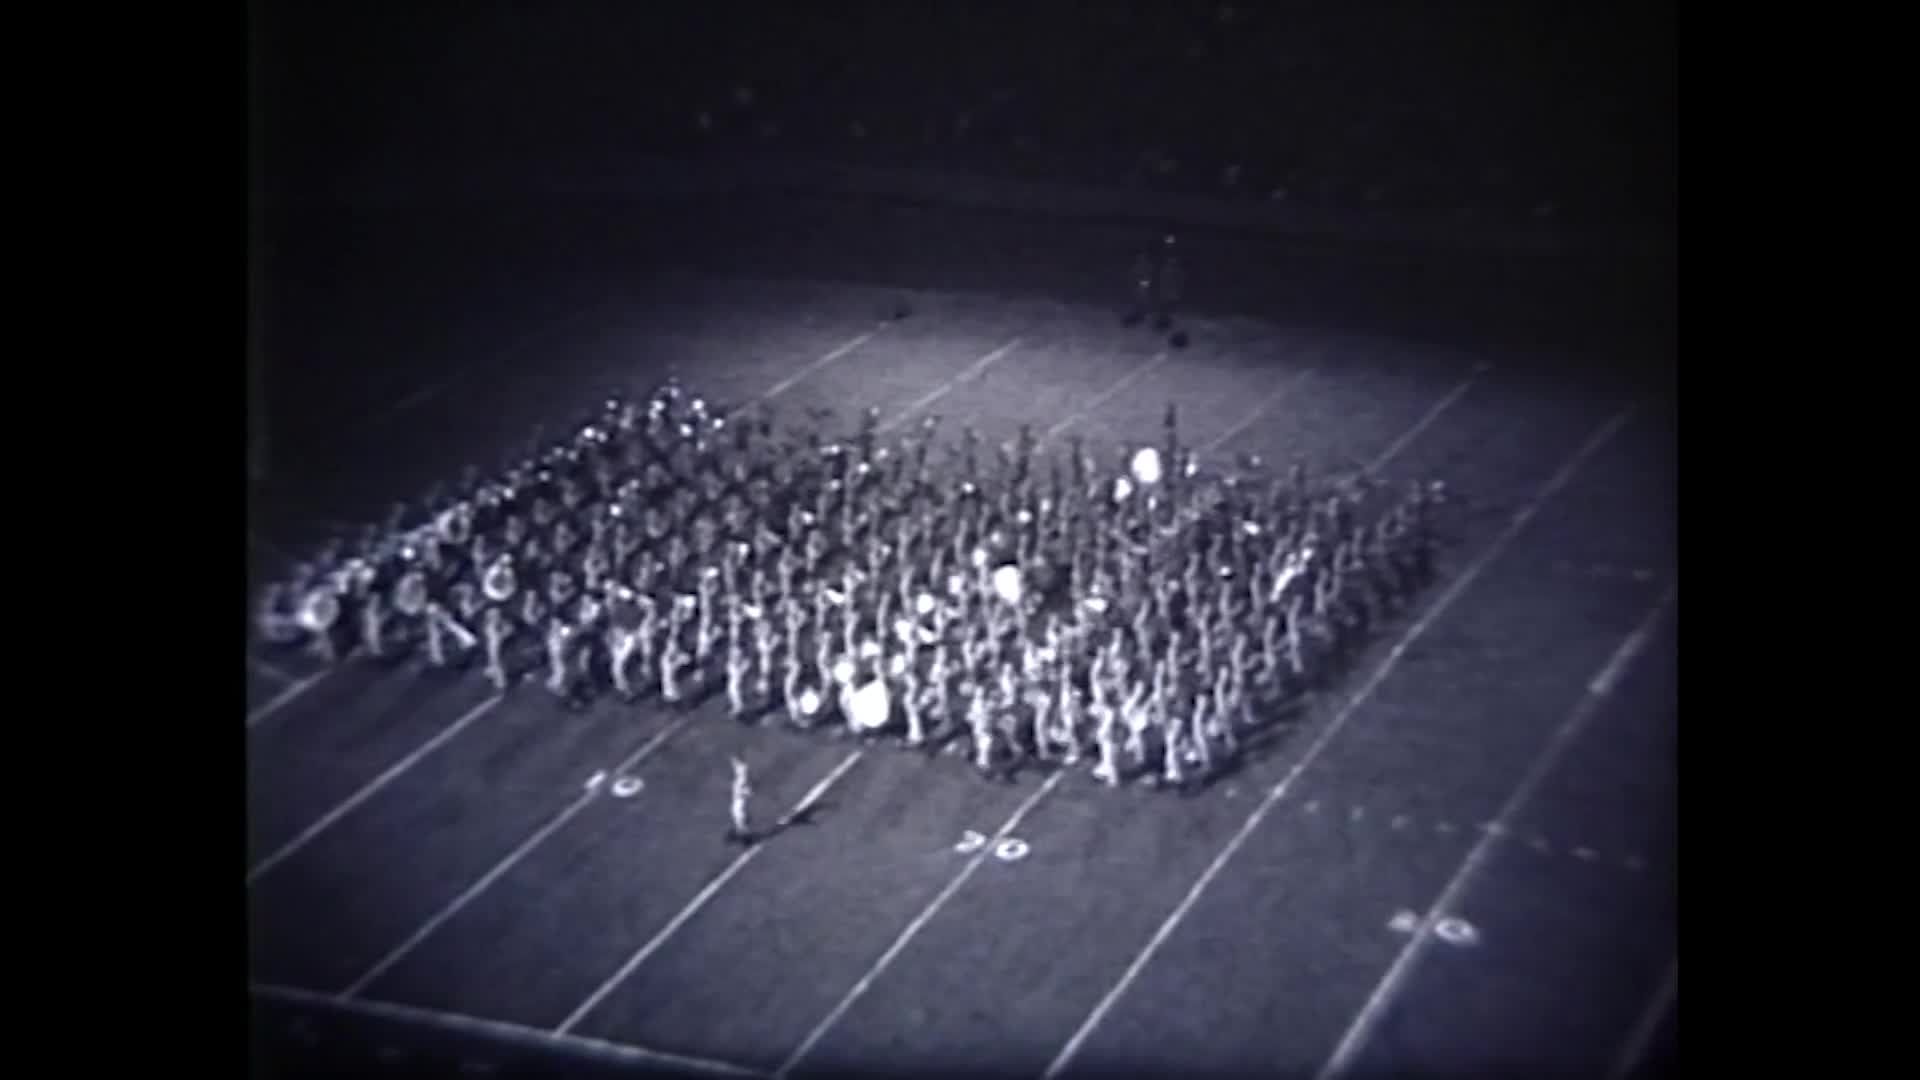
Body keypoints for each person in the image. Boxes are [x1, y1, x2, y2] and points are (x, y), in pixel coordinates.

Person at [727, 755, 756, 846]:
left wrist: (747, 792)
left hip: (739, 809)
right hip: (737, 808)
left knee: (741, 825)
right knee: (741, 824)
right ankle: (745, 838)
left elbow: (748, 793)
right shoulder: (741, 781)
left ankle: (746, 839)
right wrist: (734, 760)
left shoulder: (741, 783)